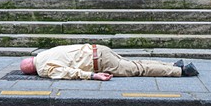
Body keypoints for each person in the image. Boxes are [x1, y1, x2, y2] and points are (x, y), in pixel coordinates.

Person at [19, 44, 199, 80]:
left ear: (31, 70)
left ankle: (181, 71)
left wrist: (92, 75)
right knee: (135, 63)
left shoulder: (43, 69)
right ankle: (173, 65)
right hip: (99, 49)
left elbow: (67, 73)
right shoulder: (45, 54)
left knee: (138, 69)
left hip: (99, 62)